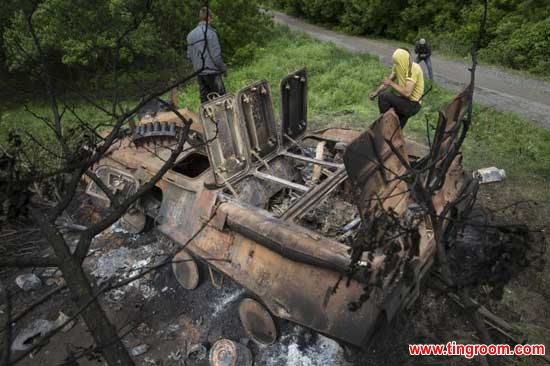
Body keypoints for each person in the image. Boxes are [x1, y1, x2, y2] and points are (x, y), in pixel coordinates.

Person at [369, 48, 424, 128]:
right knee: (396, 130)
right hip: (404, 101)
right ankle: (390, 128)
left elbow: (407, 93)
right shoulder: (397, 67)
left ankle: (385, 123)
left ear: (403, 59)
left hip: (412, 104)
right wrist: (376, 93)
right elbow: (387, 81)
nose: (396, 63)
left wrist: (391, 83)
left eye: (398, 61)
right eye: (395, 61)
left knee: (384, 96)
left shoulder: (412, 68)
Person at [187, 6, 227, 103]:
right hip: (212, 73)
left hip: (200, 74)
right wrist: (223, 69)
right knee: (222, 101)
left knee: (205, 104)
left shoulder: (190, 35)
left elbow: (189, 56)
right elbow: (216, 56)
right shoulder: (210, 33)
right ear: (209, 18)